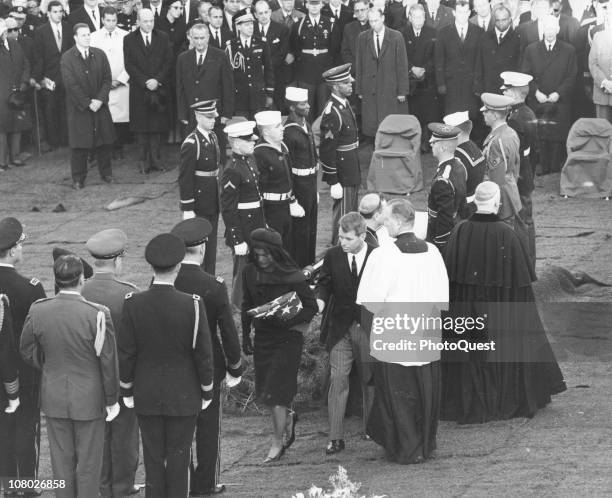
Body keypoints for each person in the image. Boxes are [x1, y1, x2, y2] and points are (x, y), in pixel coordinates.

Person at [441, 181, 567, 423]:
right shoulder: (509, 234)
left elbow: (451, 282)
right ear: (498, 203)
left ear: (475, 202)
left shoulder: (459, 231)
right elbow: (521, 291)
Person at [118, 233, 214, 498]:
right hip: (183, 395)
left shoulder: (133, 303)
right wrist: (207, 390)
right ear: (179, 267)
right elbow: (203, 355)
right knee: (179, 459)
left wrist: (126, 390)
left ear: (151, 267)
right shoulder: (192, 305)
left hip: (146, 394)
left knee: (152, 460)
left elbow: (126, 353)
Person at [357, 198, 449, 464]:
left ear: (398, 222)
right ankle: (424, 445)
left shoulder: (383, 255)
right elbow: (441, 299)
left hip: (393, 335)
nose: (384, 225)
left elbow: (370, 303)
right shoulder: (432, 252)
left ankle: (405, 447)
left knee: (397, 395)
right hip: (424, 334)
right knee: (424, 392)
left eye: (387, 220)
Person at [20, 254, 120, 498]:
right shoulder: (97, 313)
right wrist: (111, 399)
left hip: (54, 394)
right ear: (82, 280)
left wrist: (49, 366)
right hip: (89, 398)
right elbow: (108, 361)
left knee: (61, 464)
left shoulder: (39, 309)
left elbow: (26, 349)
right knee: (88, 464)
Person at [171, 218, 243, 497]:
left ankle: (185, 481)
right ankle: (207, 483)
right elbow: (227, 331)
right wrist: (235, 367)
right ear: (201, 248)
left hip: (177, 366)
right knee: (209, 429)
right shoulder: (214, 284)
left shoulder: (166, 280)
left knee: (182, 428)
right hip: (209, 365)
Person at [241, 227, 317, 462]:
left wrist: (287, 319)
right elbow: (246, 305)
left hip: (288, 339)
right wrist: (245, 336)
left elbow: (311, 307)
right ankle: (289, 417)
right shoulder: (249, 273)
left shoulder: (293, 275)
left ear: (275, 253)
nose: (262, 259)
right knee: (266, 392)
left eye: (266, 254)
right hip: (264, 338)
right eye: (257, 254)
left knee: (277, 393)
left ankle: (277, 442)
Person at [81, 229, 141, 498]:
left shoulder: (79, 290)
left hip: (87, 378)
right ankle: (122, 486)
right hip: (120, 377)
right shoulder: (128, 293)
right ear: (117, 260)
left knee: (96, 436)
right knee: (124, 437)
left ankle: (100, 486)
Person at [316, 212, 376, 455]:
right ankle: (335, 437)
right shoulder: (332, 255)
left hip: (368, 327)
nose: (342, 243)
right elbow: (324, 282)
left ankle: (373, 429)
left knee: (369, 380)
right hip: (340, 327)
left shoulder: (377, 255)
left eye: (347, 238)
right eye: (340, 237)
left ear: (362, 236)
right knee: (338, 380)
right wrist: (319, 301)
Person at [0, 218, 46, 493]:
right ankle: (27, 484)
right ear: (14, 249)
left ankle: (7, 484)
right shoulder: (30, 287)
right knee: (27, 428)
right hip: (24, 372)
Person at [61, 23, 116, 188]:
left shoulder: (99, 54)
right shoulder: (67, 57)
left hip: (100, 105)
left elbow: (107, 79)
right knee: (79, 144)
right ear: (75, 38)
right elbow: (70, 85)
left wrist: (99, 100)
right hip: (80, 108)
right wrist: (87, 102)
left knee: (104, 141)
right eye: (83, 35)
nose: (87, 38)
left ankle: (106, 173)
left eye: (88, 34)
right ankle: (78, 178)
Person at [520, 14, 577, 174]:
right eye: (547, 28)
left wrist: (558, 93)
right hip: (538, 101)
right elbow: (525, 75)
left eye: (553, 28)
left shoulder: (568, 50)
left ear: (558, 29)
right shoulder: (531, 49)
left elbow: (572, 76)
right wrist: (535, 92)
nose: (550, 32)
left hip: (559, 102)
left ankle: (554, 171)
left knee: (557, 137)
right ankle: (543, 170)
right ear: (542, 29)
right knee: (541, 136)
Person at [219, 120, 267, 309]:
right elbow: (228, 208)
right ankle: (238, 305)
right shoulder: (232, 170)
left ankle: (250, 299)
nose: (253, 142)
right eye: (249, 140)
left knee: (254, 266)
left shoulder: (248, 162)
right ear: (237, 143)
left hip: (255, 223)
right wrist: (237, 238)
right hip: (243, 227)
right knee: (242, 268)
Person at [123, 8, 172, 174]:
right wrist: (145, 81)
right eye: (145, 21)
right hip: (139, 90)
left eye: (151, 20)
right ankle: (143, 161)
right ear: (138, 21)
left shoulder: (163, 37)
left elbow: (168, 61)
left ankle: (157, 160)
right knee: (142, 128)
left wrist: (157, 80)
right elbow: (129, 64)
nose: (149, 24)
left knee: (157, 127)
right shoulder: (129, 39)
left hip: (158, 90)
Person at [176, 22, 234, 161]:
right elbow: (180, 88)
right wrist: (182, 113)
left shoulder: (220, 56)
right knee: (193, 151)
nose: (199, 41)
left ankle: (219, 179)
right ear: (190, 38)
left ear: (208, 37)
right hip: (192, 114)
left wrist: (227, 113)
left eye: (202, 38)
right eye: (196, 38)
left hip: (214, 113)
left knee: (216, 150)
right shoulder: (183, 58)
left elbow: (228, 86)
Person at [179, 100, 223, 275]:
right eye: (208, 117)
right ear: (197, 117)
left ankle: (209, 277)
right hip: (199, 202)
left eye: (214, 116)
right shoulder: (191, 143)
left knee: (211, 246)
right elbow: (185, 177)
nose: (213, 120)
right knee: (199, 246)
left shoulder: (212, 137)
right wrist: (187, 207)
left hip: (212, 199)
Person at [320, 63, 361, 245]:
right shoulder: (333, 112)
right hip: (343, 171)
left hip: (350, 166)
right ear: (336, 86)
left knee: (350, 213)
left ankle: (347, 245)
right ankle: (339, 247)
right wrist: (333, 180)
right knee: (343, 214)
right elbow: (327, 149)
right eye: (346, 82)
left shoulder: (344, 105)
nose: (351, 84)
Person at [254, 110, 305, 254]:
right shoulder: (259, 153)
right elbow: (258, 187)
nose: (283, 128)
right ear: (266, 132)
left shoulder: (283, 147)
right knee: (274, 249)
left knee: (287, 247)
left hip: (285, 206)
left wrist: (292, 200)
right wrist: (263, 218)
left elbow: (289, 177)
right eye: (277, 126)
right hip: (271, 209)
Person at [355, 7, 409, 140]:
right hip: (370, 89)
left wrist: (402, 91)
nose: (374, 24)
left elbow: (402, 65)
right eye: (371, 21)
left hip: (389, 87)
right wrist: (359, 89)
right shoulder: (363, 38)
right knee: (373, 125)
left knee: (390, 124)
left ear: (383, 18)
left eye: (376, 20)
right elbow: (359, 64)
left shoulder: (396, 36)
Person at [502, 71, 538, 267]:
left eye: (506, 90)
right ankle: (528, 263)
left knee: (521, 221)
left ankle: (525, 265)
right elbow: (535, 152)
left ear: (515, 93)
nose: (504, 93)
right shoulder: (527, 113)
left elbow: (514, 153)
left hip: (518, 177)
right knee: (526, 220)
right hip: (526, 174)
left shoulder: (515, 118)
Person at [283, 87, 319, 267]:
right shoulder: (289, 132)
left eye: (307, 102)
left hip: (310, 185)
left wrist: (314, 190)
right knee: (301, 232)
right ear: (292, 108)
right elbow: (287, 169)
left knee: (311, 229)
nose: (308, 106)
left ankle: (309, 267)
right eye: (303, 104)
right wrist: (292, 199)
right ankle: (300, 269)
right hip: (298, 187)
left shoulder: (306, 125)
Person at [90, 7, 131, 159]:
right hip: (102, 83)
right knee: (104, 117)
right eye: (108, 20)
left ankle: (118, 147)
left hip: (121, 82)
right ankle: (104, 149)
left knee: (120, 118)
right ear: (102, 20)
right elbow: (92, 61)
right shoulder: (94, 37)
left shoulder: (125, 35)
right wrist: (105, 82)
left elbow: (130, 60)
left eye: (114, 20)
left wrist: (121, 79)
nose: (111, 24)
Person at [290, 0, 341, 120]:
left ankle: (323, 136)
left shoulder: (331, 23)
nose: (314, 7)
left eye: (316, 3)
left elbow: (334, 48)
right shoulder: (298, 24)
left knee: (324, 107)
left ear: (322, 5)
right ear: (306, 5)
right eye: (311, 4)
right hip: (305, 72)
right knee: (306, 108)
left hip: (324, 71)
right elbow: (295, 48)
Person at [435, 1, 483, 126]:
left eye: (465, 12)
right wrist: (441, 83)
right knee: (451, 119)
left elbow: (480, 60)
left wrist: (478, 84)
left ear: (469, 13)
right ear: (454, 13)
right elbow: (439, 60)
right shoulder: (443, 32)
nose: (462, 15)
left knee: (470, 119)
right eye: (459, 12)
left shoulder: (479, 32)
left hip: (470, 85)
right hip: (451, 85)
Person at [32, 0, 72, 150]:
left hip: (66, 75)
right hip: (49, 77)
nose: (58, 14)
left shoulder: (68, 28)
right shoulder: (41, 31)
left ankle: (66, 138)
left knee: (66, 107)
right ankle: (54, 141)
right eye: (55, 12)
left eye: (60, 11)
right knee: (51, 109)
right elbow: (38, 57)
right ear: (48, 13)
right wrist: (41, 78)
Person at [480, 92, 522, 226]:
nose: (483, 114)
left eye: (487, 111)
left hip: (500, 200)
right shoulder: (510, 132)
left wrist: (494, 205)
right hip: (510, 192)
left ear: (496, 114)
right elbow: (515, 168)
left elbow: (497, 178)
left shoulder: (497, 140)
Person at [401, 4, 439, 150]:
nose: (418, 20)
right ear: (410, 18)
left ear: (425, 17)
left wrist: (424, 69)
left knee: (429, 113)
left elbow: (436, 56)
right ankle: (415, 141)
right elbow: (401, 56)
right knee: (414, 113)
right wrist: (412, 68)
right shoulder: (402, 33)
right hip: (411, 81)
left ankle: (428, 142)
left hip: (428, 79)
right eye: (415, 17)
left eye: (421, 16)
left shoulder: (433, 32)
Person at [426, 123, 467, 254]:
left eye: (434, 141)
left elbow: (444, 218)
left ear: (443, 147)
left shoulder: (443, 181)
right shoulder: (459, 165)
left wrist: (438, 247)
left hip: (443, 240)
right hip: (457, 231)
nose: (430, 142)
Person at [226, 8, 275, 119]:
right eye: (246, 25)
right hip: (240, 98)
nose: (250, 27)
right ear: (238, 26)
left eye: (252, 24)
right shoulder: (231, 46)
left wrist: (269, 94)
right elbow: (229, 75)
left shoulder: (261, 43)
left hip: (258, 96)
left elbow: (268, 70)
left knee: (259, 130)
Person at [0, 18, 31, 172]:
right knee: (2, 128)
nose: (6, 33)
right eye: (4, 31)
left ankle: (15, 156)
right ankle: (2, 161)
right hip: (1, 95)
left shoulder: (15, 44)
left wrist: (24, 83)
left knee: (17, 125)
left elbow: (26, 63)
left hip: (17, 91)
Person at [442, 111, 485, 217]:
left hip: (461, 212)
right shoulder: (476, 149)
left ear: (457, 133)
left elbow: (453, 191)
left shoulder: (456, 158)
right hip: (476, 206)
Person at [474, 4, 520, 95]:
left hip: (508, 91)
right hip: (488, 89)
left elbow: (519, 67)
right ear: (494, 20)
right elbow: (479, 64)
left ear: (510, 19)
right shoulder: (485, 37)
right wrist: (478, 87)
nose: (501, 23)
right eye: (498, 20)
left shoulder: (517, 39)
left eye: (504, 20)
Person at [254, 0, 291, 111]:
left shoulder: (281, 29)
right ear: (255, 15)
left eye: (266, 12)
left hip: (277, 77)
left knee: (279, 107)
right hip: (257, 77)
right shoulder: (251, 29)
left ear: (270, 12)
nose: (264, 16)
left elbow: (282, 54)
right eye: (260, 13)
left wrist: (266, 66)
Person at [0, 292, 20, 495]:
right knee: (5, 440)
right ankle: (10, 489)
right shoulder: (0, 304)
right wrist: (13, 395)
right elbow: (5, 353)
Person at [588, 16, 612, 121]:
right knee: (602, 131)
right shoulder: (598, 37)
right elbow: (592, 63)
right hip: (602, 95)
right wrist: (604, 82)